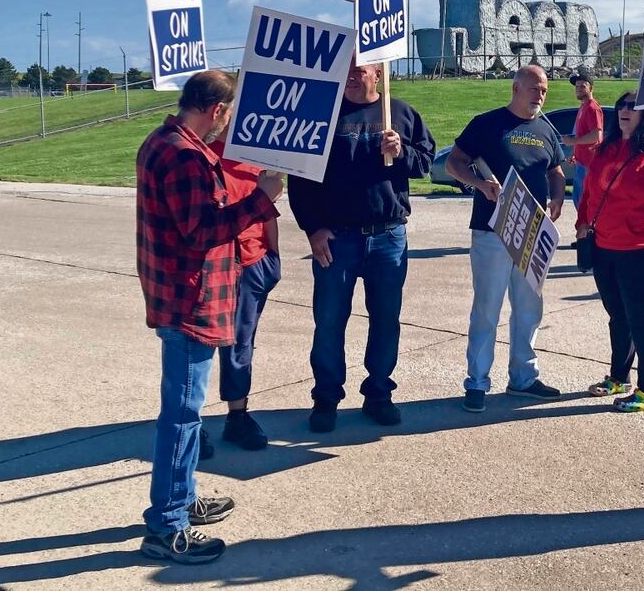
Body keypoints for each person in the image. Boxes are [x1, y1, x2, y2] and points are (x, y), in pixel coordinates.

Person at [136, 70, 284, 563]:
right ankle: (167, 526)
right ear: (217, 109)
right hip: (189, 300)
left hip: (180, 293)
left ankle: (181, 498)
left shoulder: (164, 141)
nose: (229, 123)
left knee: (185, 413)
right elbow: (202, 231)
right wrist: (261, 199)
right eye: (230, 112)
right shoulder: (185, 155)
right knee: (182, 416)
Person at [289, 62, 435, 433]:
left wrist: (401, 152)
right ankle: (326, 398)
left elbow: (426, 163)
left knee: (386, 319)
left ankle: (379, 393)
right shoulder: (323, 116)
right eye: (347, 70)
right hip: (336, 239)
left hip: (388, 237)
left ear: (378, 74)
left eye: (361, 70)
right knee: (329, 321)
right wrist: (313, 228)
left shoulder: (400, 113)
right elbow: (300, 177)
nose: (352, 76)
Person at [446, 64, 566, 414]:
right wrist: (479, 184)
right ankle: (477, 382)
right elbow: (454, 162)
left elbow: (556, 170)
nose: (541, 95)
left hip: (533, 231)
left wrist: (558, 196)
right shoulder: (487, 124)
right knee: (487, 308)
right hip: (493, 230)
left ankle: (523, 378)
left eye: (544, 90)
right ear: (516, 88)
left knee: (529, 308)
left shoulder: (546, 129)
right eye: (535, 88)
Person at [576, 91, 644, 412]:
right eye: (621, 105)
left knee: (642, 321)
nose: (625, 110)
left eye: (633, 106)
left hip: (642, 249)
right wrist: (582, 223)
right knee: (618, 317)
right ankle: (619, 377)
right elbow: (590, 190)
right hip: (604, 245)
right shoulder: (606, 149)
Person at [199, 130, 282, 452]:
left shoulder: (254, 153)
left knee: (241, 343)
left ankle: (238, 415)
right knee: (198, 346)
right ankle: (190, 423)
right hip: (212, 265)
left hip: (252, 262)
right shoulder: (200, 156)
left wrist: (272, 258)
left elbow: (266, 212)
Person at [562, 68, 604, 210]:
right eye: (577, 86)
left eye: (583, 86)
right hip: (581, 162)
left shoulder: (593, 108)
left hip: (589, 165)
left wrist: (572, 141)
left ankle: (586, 225)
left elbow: (596, 136)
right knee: (578, 201)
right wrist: (575, 154)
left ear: (591, 88)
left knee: (584, 204)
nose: (578, 89)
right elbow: (581, 135)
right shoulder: (583, 107)